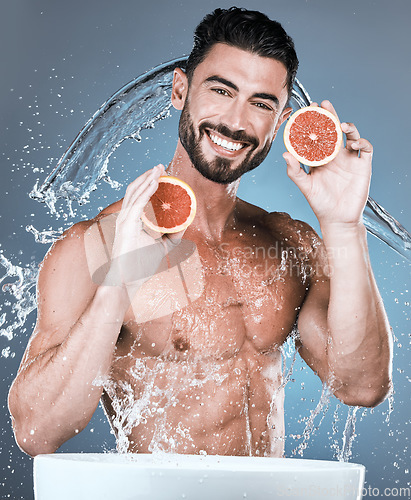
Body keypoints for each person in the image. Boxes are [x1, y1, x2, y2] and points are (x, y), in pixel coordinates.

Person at [8, 7, 392, 458]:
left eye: (261, 103)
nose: (235, 120)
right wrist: (121, 280)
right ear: (179, 90)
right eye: (221, 90)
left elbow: (361, 386)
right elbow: (36, 431)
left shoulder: (292, 245)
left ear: (281, 120)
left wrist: (344, 226)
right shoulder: (98, 244)